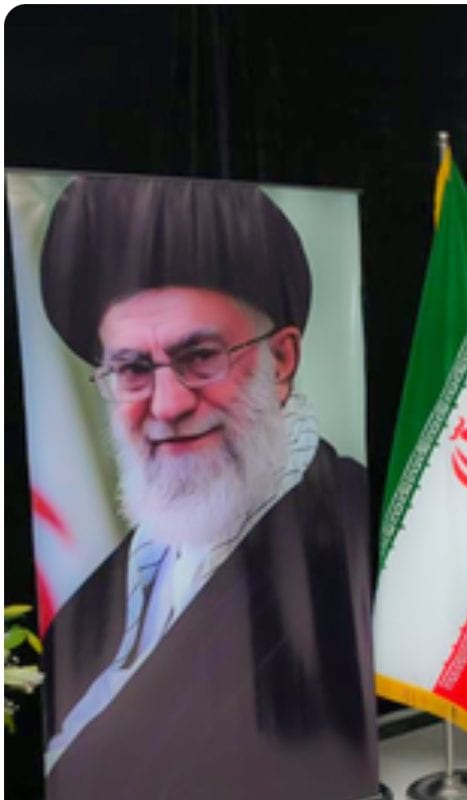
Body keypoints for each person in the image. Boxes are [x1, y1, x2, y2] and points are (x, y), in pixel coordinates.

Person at [36, 175, 378, 800]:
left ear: (282, 362)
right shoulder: (85, 614)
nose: (167, 405)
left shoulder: (368, 542)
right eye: (133, 369)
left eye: (200, 357)